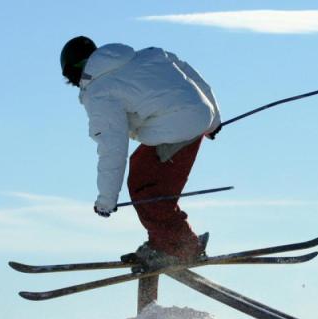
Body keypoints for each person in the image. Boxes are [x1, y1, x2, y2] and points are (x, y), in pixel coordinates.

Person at [59, 36, 221, 271]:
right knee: (146, 179)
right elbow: (188, 72)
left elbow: (112, 146)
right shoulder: (148, 54)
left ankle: (182, 248)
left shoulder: (99, 91)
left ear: (74, 73)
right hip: (192, 120)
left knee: (146, 188)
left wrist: (106, 200)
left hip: (176, 127)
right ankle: (164, 243)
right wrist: (213, 119)